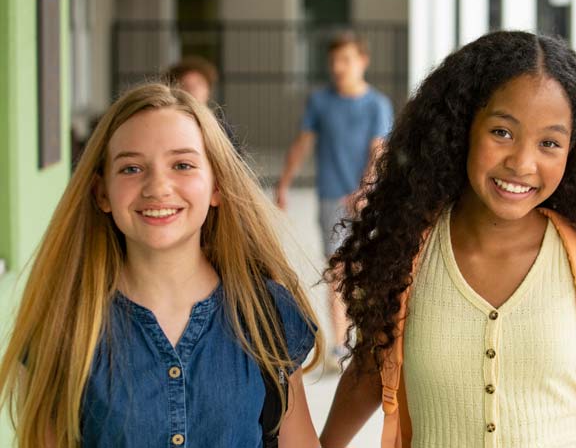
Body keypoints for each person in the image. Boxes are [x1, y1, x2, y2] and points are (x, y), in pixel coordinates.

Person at [319, 31, 576, 447]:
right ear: (463, 128)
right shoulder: (406, 257)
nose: (522, 163)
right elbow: (370, 374)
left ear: (574, 150)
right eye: (502, 132)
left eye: (549, 142)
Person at [0, 83, 323, 448]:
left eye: (182, 165)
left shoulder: (266, 314)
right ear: (102, 193)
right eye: (132, 168)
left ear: (217, 186)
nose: (158, 186)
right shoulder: (65, 323)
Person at [275, 31, 393, 371]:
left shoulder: (377, 104)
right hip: (330, 197)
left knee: (367, 271)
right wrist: (283, 183)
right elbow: (302, 143)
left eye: (346, 60)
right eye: (334, 61)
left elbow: (378, 151)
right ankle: (340, 345)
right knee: (338, 271)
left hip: (369, 202)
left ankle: (370, 339)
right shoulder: (320, 102)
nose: (339, 67)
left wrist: (365, 191)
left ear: (362, 61)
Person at [166, 56, 242, 153]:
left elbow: (236, 158)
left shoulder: (221, 124)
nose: (193, 90)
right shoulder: (168, 123)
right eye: (186, 85)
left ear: (208, 89)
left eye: (198, 84)